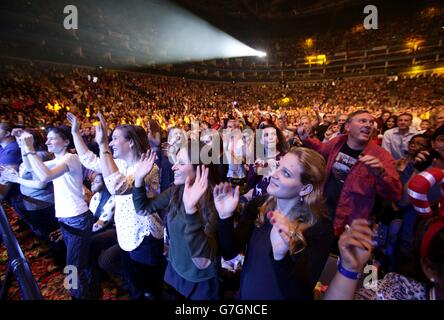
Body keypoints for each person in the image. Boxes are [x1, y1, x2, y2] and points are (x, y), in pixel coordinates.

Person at [67, 112, 164, 300]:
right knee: (134, 287)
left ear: (131, 143)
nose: (110, 143)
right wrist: (75, 134)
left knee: (149, 292)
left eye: (114, 139)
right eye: (109, 140)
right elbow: (90, 160)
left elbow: (117, 187)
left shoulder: (149, 167)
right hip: (126, 233)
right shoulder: (119, 163)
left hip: (145, 238)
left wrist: (103, 145)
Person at [214, 147, 333, 299]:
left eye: (286, 173)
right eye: (278, 166)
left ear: (305, 188)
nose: (274, 174)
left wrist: (280, 258)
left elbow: (300, 295)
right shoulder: (259, 205)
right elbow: (230, 251)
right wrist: (225, 217)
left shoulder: (319, 228)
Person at [132, 141, 221, 300]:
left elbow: (202, 262)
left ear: (200, 166)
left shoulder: (215, 201)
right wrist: (138, 179)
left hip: (199, 282)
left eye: (181, 163)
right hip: (174, 272)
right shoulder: (176, 190)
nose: (173, 167)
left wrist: (191, 210)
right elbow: (142, 209)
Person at [15, 125, 94, 299]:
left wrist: (29, 147)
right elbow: (29, 167)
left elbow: (44, 176)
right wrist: (22, 144)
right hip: (67, 218)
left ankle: (78, 296)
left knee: (73, 267)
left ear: (66, 141)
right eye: (47, 138)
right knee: (76, 264)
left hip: (77, 219)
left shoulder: (71, 158)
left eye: (52, 138)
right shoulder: (58, 160)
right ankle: (86, 291)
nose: (47, 141)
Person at [298, 109, 402, 236]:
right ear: (347, 126)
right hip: (324, 211)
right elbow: (321, 149)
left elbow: (394, 194)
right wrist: (305, 139)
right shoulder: (338, 142)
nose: (368, 125)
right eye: (362, 121)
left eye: (371, 122)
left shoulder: (381, 156)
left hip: (351, 222)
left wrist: (381, 173)